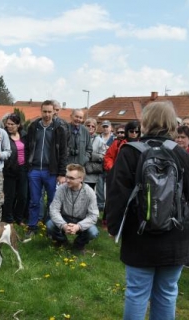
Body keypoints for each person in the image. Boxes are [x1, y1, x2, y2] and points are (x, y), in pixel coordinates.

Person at [106, 101, 189, 320]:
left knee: (137, 293)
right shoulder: (181, 154)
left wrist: (113, 227)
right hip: (175, 236)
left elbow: (117, 195)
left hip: (138, 235)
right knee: (167, 293)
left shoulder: (129, 152)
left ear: (146, 121)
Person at [25, 100, 67, 238]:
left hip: (51, 171)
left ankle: (51, 227)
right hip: (35, 170)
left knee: (52, 201)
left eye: (50, 111)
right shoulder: (33, 127)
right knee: (34, 200)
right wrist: (28, 167)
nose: (47, 114)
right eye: (45, 111)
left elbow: (63, 153)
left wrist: (61, 173)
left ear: (54, 111)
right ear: (41, 111)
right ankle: (32, 226)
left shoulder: (59, 128)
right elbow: (27, 148)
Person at [46, 164, 99, 254]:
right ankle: (62, 242)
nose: (67, 180)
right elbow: (54, 210)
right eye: (67, 177)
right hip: (65, 218)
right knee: (50, 225)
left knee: (93, 231)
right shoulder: (61, 189)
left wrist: (79, 226)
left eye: (71, 178)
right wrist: (64, 225)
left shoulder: (89, 192)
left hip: (81, 220)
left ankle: (78, 244)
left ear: (81, 179)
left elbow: (93, 216)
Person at [2, 113, 28, 225]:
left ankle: (19, 217)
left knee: (23, 196)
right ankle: (8, 219)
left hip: (23, 169)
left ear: (18, 125)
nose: (9, 126)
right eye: (7, 124)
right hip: (10, 170)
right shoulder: (4, 136)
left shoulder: (24, 135)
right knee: (10, 196)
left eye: (12, 124)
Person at [96, 120, 114, 211]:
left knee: (110, 186)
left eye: (107, 126)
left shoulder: (114, 139)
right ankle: (100, 205)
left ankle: (109, 204)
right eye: (104, 126)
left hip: (110, 165)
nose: (105, 128)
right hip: (99, 164)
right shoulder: (98, 138)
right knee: (99, 186)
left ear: (111, 128)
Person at [83, 118, 106, 190]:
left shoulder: (99, 140)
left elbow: (103, 156)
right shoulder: (79, 137)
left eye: (93, 126)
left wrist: (91, 156)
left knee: (89, 194)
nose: (90, 127)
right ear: (84, 126)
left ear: (95, 128)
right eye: (88, 125)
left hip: (91, 173)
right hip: (79, 171)